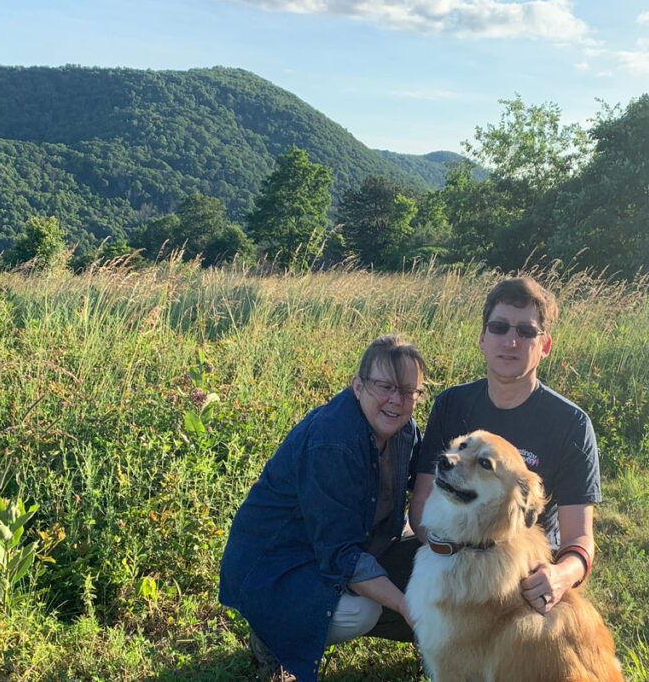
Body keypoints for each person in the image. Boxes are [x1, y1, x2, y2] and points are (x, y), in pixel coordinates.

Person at [219, 334, 428, 682]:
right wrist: (415, 610)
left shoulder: (404, 430)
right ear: (357, 385)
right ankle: (272, 639)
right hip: (278, 565)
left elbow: (431, 484)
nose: (397, 400)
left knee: (436, 550)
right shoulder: (332, 442)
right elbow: (341, 554)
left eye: (409, 391)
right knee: (363, 610)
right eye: (385, 387)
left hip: (343, 544)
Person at [408, 275, 602, 617]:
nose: (511, 341)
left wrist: (559, 575)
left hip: (522, 570)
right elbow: (422, 506)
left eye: (526, 332)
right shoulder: (452, 404)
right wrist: (457, 563)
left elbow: (579, 539)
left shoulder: (571, 424)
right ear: (482, 338)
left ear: (544, 346)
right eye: (499, 328)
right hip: (446, 547)